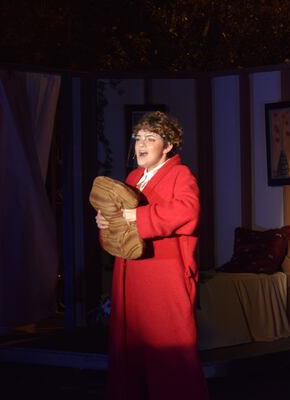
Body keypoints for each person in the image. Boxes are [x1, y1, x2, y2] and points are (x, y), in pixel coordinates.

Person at [96, 111, 208, 400]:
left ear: (168, 145)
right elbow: (122, 219)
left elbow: (187, 210)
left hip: (164, 275)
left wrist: (136, 215)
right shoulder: (133, 177)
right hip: (130, 272)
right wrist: (106, 222)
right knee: (129, 347)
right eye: (138, 138)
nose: (141, 144)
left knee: (170, 349)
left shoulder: (180, 175)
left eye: (151, 138)